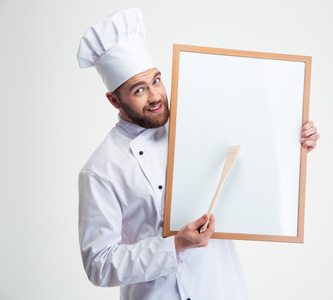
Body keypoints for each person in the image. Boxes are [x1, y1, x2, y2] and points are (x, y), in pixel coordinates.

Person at [76, 8, 319, 300]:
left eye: (156, 81)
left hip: (221, 289)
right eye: (139, 90)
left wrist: (295, 138)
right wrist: (174, 245)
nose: (155, 96)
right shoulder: (101, 169)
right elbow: (99, 265)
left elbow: (254, 146)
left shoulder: (198, 125)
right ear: (113, 100)